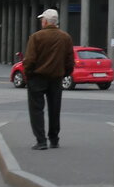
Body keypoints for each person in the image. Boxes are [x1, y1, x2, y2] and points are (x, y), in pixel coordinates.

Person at [21, 8, 74, 150]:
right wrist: (64, 73)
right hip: (56, 78)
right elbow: (70, 61)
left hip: (37, 77)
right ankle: (54, 139)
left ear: (45, 22)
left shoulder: (36, 37)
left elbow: (30, 59)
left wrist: (28, 74)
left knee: (36, 109)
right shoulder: (65, 37)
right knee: (55, 109)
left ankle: (41, 141)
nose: (41, 22)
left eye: (42, 20)